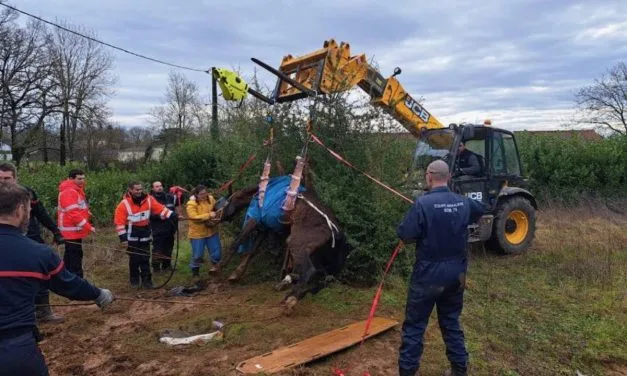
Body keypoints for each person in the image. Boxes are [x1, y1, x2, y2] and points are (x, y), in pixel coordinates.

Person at [0, 182, 114, 376]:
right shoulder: (38, 253)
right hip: (16, 350)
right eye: (29, 209)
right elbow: (69, 284)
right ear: (20, 210)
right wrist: (98, 294)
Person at [396, 160, 486, 376]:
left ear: (429, 176)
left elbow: (405, 234)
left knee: (415, 326)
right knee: (450, 321)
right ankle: (459, 369)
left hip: (428, 275)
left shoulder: (422, 204)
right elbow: (480, 210)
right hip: (456, 274)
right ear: (448, 177)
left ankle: (408, 372)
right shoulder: (463, 203)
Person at [0, 163, 66, 324]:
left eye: (7, 178)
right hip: (5, 243)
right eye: (0, 178)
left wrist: (56, 231)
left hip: (31, 239)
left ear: (15, 178)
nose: (3, 181)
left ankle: (43, 310)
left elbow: (41, 213)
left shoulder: (27, 193)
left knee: (41, 274)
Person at [114, 181, 176, 288]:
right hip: (131, 234)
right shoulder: (123, 204)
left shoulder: (149, 199)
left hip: (145, 233)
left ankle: (147, 281)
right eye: (136, 190)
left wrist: (172, 215)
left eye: (140, 189)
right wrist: (123, 239)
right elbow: (119, 223)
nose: (139, 191)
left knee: (145, 258)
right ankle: (134, 280)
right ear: (130, 190)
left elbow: (160, 209)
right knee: (134, 258)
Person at [57, 169, 95, 278]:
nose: (82, 181)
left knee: (70, 256)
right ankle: (77, 281)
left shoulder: (76, 190)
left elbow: (77, 207)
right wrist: (89, 227)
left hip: (74, 230)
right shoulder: (69, 191)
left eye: (83, 178)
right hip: (71, 230)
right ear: (71, 179)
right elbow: (73, 213)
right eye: (79, 178)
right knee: (75, 257)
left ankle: (66, 278)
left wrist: (87, 212)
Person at [185, 184, 221, 277]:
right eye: (201, 194)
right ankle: (195, 273)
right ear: (196, 194)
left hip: (211, 231)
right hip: (198, 233)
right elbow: (193, 217)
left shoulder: (211, 199)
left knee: (216, 253)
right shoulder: (191, 204)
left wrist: (218, 212)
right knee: (197, 255)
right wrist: (209, 215)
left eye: (205, 193)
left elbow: (216, 209)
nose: (204, 195)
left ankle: (215, 268)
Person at [149, 181, 178, 273]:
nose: (159, 188)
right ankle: (156, 268)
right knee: (158, 249)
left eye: (161, 186)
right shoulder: (150, 200)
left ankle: (167, 266)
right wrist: (158, 216)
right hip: (157, 228)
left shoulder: (169, 197)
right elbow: (148, 215)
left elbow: (175, 208)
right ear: (153, 188)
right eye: (157, 186)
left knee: (169, 247)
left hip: (170, 227)